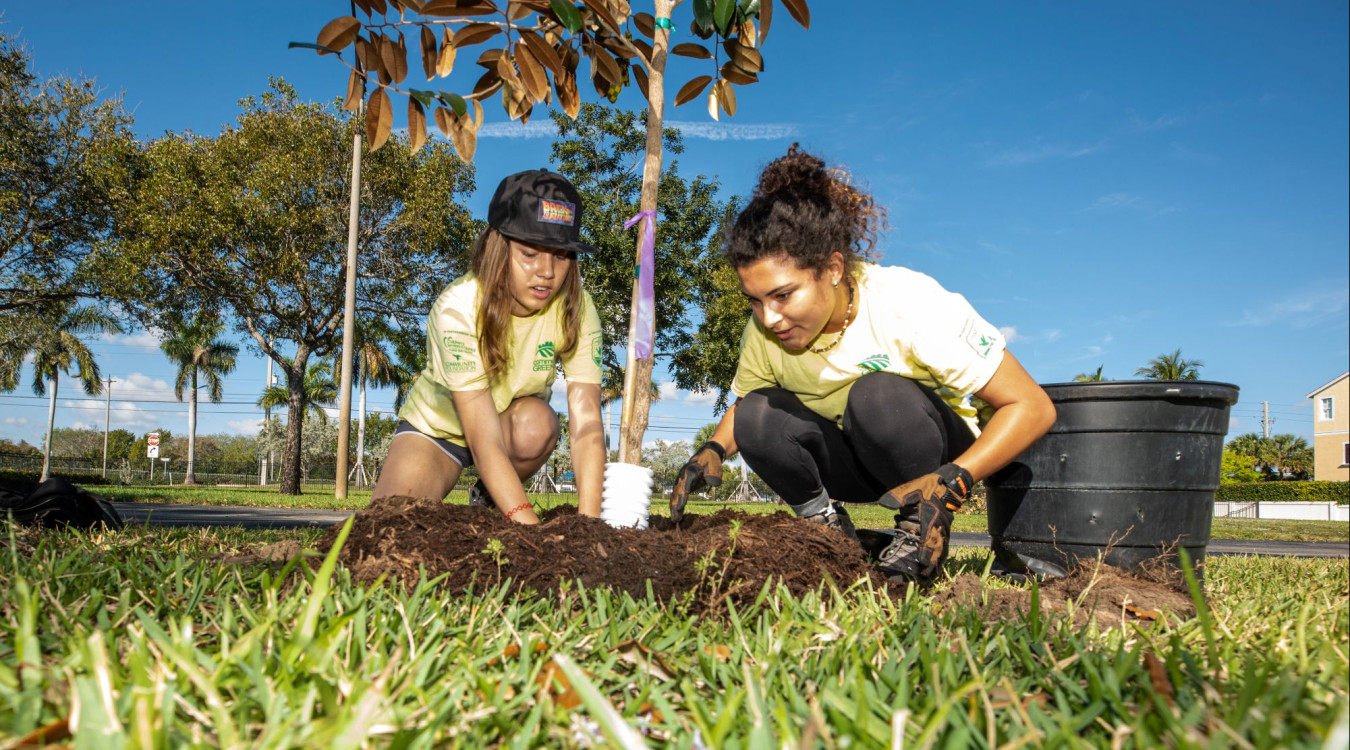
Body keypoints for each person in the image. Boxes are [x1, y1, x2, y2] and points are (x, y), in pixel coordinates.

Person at [669, 146, 1056, 582]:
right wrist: (714, 449)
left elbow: (1032, 406)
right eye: (754, 300)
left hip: (936, 459)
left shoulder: (908, 302)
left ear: (833, 268)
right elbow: (746, 410)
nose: (769, 317)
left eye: (783, 295)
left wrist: (955, 482)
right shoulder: (762, 330)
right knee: (758, 411)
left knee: (876, 395)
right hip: (856, 464)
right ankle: (827, 536)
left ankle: (919, 529)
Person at [372, 170, 606, 524]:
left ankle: (487, 501)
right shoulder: (458, 308)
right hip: (440, 430)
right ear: (499, 247)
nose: (546, 271)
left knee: (539, 423)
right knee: (387, 523)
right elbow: (482, 438)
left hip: (514, 426)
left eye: (560, 256)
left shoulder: (578, 307)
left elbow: (587, 423)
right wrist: (532, 530)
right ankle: (505, 504)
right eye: (530, 254)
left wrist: (589, 524)